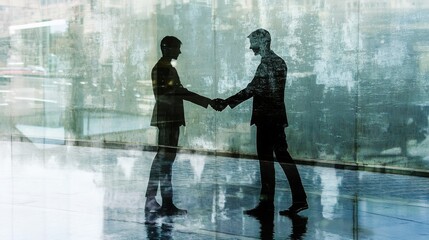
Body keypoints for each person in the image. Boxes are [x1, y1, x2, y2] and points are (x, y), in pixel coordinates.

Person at [213, 29, 308, 216]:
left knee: (267, 162)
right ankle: (298, 200)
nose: (250, 47)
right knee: (282, 158)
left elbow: (252, 89)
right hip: (277, 119)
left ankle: (269, 205)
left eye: (253, 43)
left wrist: (226, 102)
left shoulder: (267, 64)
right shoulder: (279, 62)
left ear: (262, 42)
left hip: (266, 121)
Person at [145, 36, 217, 216]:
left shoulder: (164, 68)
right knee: (165, 160)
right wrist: (206, 101)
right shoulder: (164, 69)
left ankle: (154, 199)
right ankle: (164, 202)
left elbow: (175, 91)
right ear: (167, 48)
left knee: (162, 159)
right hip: (168, 118)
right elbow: (177, 92)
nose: (179, 52)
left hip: (167, 118)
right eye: (177, 48)